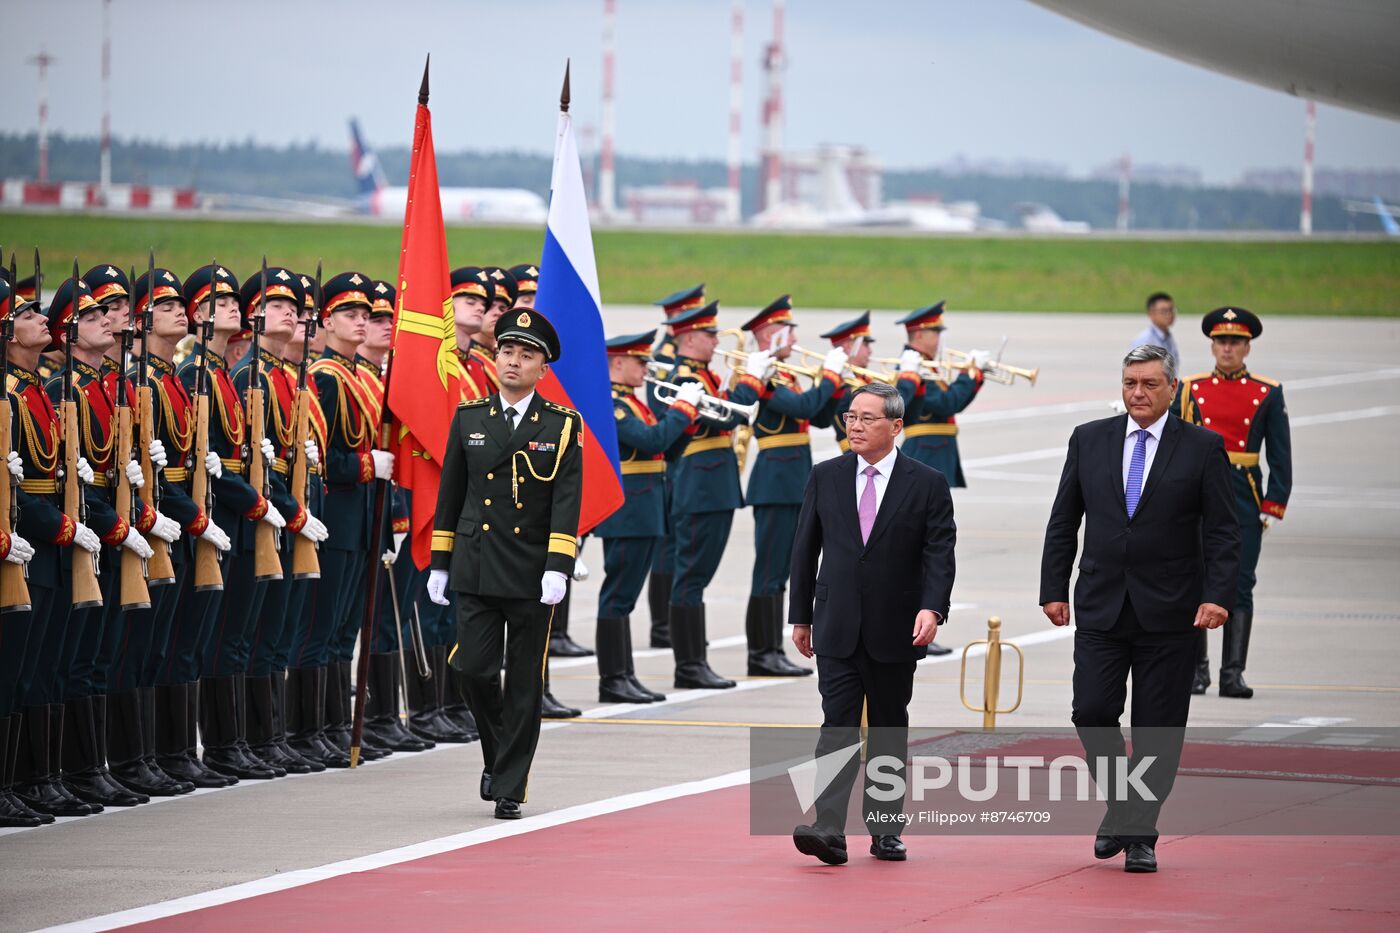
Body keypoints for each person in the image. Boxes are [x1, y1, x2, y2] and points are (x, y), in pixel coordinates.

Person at [1039, 343, 1240, 874]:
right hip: (1102, 605)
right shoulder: (1089, 440)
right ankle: (1125, 806)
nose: (1138, 393)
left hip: (1172, 613)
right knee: (1093, 711)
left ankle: (1141, 832)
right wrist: (1052, 587)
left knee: (1158, 727)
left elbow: (1223, 531)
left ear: (1172, 389)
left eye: (1150, 384)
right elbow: (1064, 520)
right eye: (1130, 383)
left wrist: (1218, 595)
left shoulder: (1201, 447)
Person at [788, 382, 956, 866]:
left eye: (867, 418)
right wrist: (801, 614)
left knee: (887, 729)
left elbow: (939, 553)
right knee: (836, 725)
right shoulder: (826, 475)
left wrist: (933, 608)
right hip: (835, 622)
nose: (855, 426)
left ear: (896, 426)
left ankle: (885, 831)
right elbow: (805, 550)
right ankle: (829, 827)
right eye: (850, 417)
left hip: (895, 627)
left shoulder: (926, 482)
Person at [426, 307, 581, 820]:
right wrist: (440, 561)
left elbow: (566, 500)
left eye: (526, 354)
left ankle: (510, 784)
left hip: (531, 572)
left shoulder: (561, 426)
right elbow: (450, 493)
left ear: (543, 368)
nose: (513, 361)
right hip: (474, 563)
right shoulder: (469, 417)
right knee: (471, 668)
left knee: (523, 683)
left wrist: (558, 565)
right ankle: (498, 755)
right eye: (507, 351)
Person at [1173, 306, 1290, 698]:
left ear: (1247, 347)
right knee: (1194, 581)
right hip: (1196, 495)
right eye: (1221, 341)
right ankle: (1196, 670)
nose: (1227, 349)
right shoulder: (1190, 388)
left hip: (1243, 495)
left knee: (1240, 585)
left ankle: (1232, 673)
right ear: (1212, 345)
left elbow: (1280, 454)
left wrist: (1273, 504)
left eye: (1235, 342)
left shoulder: (1267, 392)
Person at [592, 330, 702, 703]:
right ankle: (612, 679)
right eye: (640, 361)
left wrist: (688, 422)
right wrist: (682, 410)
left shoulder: (634, 403)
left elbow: (665, 452)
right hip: (627, 513)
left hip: (646, 509)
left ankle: (625, 675)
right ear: (618, 363)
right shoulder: (613, 404)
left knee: (625, 598)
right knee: (617, 595)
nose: (645, 368)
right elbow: (652, 440)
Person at [736, 295, 844, 677]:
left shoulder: (784, 372)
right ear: (770, 333)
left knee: (782, 568)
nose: (796, 336)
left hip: (793, 476)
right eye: (789, 329)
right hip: (775, 479)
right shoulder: (762, 375)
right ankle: (760, 652)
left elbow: (814, 416)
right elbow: (799, 409)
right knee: (768, 570)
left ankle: (771, 649)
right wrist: (829, 377)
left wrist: (836, 388)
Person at [643, 284, 706, 649]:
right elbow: (658, 400)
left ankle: (667, 623)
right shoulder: (667, 355)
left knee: (672, 544)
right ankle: (662, 625)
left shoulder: (672, 353)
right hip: (681, 459)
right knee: (669, 545)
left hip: (686, 455)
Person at [895, 302, 988, 489]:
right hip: (926, 450)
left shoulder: (925, 364)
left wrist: (973, 377)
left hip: (936, 449)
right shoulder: (913, 367)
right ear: (920, 334)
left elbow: (954, 403)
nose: (940, 338)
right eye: (936, 333)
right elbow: (947, 403)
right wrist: (968, 375)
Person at [1130, 292, 1180, 371]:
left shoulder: (1168, 337)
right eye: (1164, 311)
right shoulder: (1144, 341)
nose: (1169, 314)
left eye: (1171, 310)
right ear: (1151, 313)